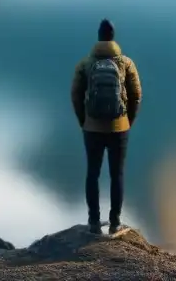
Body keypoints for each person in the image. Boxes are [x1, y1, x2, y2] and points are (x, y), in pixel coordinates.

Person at [70, 18, 142, 234]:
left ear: (99, 37)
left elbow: (75, 94)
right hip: (119, 128)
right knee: (116, 175)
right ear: (113, 37)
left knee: (92, 173)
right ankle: (115, 222)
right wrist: (128, 120)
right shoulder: (126, 63)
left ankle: (93, 222)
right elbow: (136, 95)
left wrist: (83, 120)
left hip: (92, 128)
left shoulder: (85, 64)